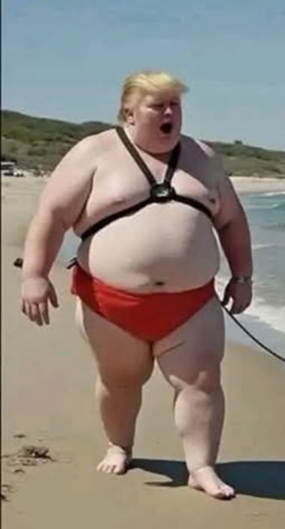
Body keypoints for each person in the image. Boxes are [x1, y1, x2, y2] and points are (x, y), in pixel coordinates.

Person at [19, 70, 254, 500]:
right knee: (121, 380)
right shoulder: (94, 152)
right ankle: (120, 445)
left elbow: (232, 221)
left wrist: (242, 277)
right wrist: (34, 275)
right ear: (129, 112)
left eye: (175, 105)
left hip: (191, 304)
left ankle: (201, 466)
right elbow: (51, 216)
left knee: (202, 381)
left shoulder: (203, 156)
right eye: (157, 105)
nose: (169, 113)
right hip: (110, 301)